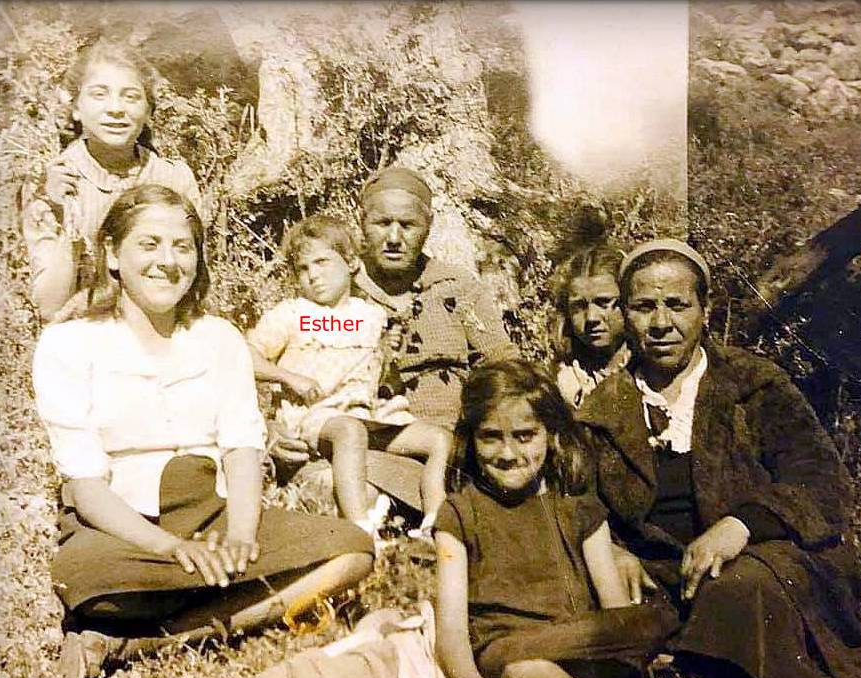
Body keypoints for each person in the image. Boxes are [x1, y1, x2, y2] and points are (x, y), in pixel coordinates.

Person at [32, 185, 373, 678]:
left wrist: (240, 535)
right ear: (112, 254)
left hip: (212, 513)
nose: (167, 262)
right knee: (91, 579)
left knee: (352, 551)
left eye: (183, 246)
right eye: (149, 244)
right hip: (123, 527)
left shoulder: (219, 338)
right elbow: (85, 486)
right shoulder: (68, 342)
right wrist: (169, 549)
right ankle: (208, 597)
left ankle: (142, 641)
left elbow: (241, 446)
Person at [577, 238, 861, 678]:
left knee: (742, 588)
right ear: (625, 314)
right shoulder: (603, 408)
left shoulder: (753, 384)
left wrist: (741, 523)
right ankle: (715, 672)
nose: (662, 323)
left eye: (677, 305)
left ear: (705, 310)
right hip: (661, 572)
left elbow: (823, 480)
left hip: (764, 558)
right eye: (644, 307)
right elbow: (576, 498)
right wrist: (613, 551)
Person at [434, 360, 676, 678]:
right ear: (472, 439)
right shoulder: (459, 514)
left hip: (581, 648)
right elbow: (450, 628)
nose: (508, 453)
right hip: (507, 653)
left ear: (551, 435)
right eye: (490, 437)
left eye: (525, 436)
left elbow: (615, 613)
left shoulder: (579, 509)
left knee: (648, 620)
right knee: (525, 673)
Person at [247, 215, 452, 537]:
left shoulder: (372, 316)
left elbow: (369, 370)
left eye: (322, 262)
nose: (313, 275)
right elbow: (244, 355)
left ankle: (436, 523)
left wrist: (386, 355)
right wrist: (287, 377)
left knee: (438, 439)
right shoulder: (291, 314)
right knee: (349, 431)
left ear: (352, 262)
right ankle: (360, 527)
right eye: (303, 268)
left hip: (366, 413)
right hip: (318, 418)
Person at [21, 39, 202, 321]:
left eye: (130, 96)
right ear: (77, 108)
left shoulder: (173, 178)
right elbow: (50, 307)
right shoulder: (52, 183)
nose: (116, 108)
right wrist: (65, 216)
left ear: (149, 110)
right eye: (99, 94)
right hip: (84, 336)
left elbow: (194, 282)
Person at [353, 166, 519, 429]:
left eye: (407, 225)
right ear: (362, 222)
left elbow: (503, 362)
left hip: (448, 437)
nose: (394, 238)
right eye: (383, 223)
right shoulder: (341, 289)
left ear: (428, 227)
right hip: (362, 436)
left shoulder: (457, 287)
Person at [550, 241, 630, 409]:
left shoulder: (650, 370)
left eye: (603, 302)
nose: (591, 318)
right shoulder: (563, 379)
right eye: (579, 307)